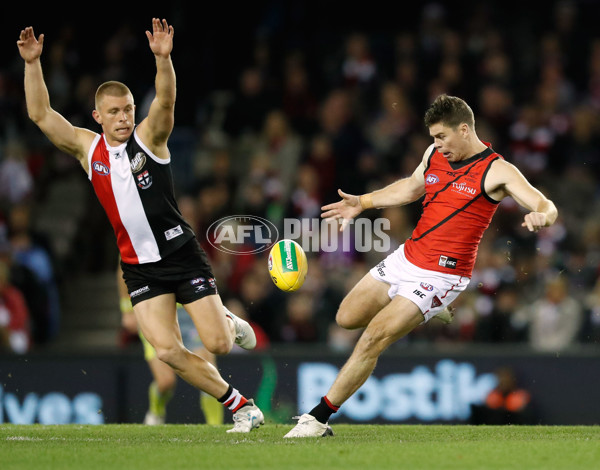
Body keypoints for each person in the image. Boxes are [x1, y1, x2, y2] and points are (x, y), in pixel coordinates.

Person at [18, 19, 264, 433]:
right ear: (98, 115)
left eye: (128, 109)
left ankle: (228, 321)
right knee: (167, 352)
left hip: (181, 255)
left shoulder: (149, 140)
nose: (123, 118)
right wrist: (33, 64)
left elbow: (165, 104)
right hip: (140, 268)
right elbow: (40, 114)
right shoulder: (87, 147)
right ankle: (242, 406)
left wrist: (163, 60)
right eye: (114, 112)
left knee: (219, 344)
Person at [284, 94, 558, 437]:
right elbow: (412, 188)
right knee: (346, 318)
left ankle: (317, 418)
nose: (436, 145)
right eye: (433, 138)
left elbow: (545, 203)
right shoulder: (433, 155)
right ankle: (432, 311)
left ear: (463, 129)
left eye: (441, 137)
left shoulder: (497, 170)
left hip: (443, 274)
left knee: (373, 338)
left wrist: (541, 215)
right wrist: (364, 202)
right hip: (408, 257)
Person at [117, 262, 223, 426]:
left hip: (186, 307)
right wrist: (126, 308)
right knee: (166, 382)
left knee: (208, 368)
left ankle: (216, 427)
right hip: (154, 309)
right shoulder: (137, 238)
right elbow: (122, 269)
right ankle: (156, 408)